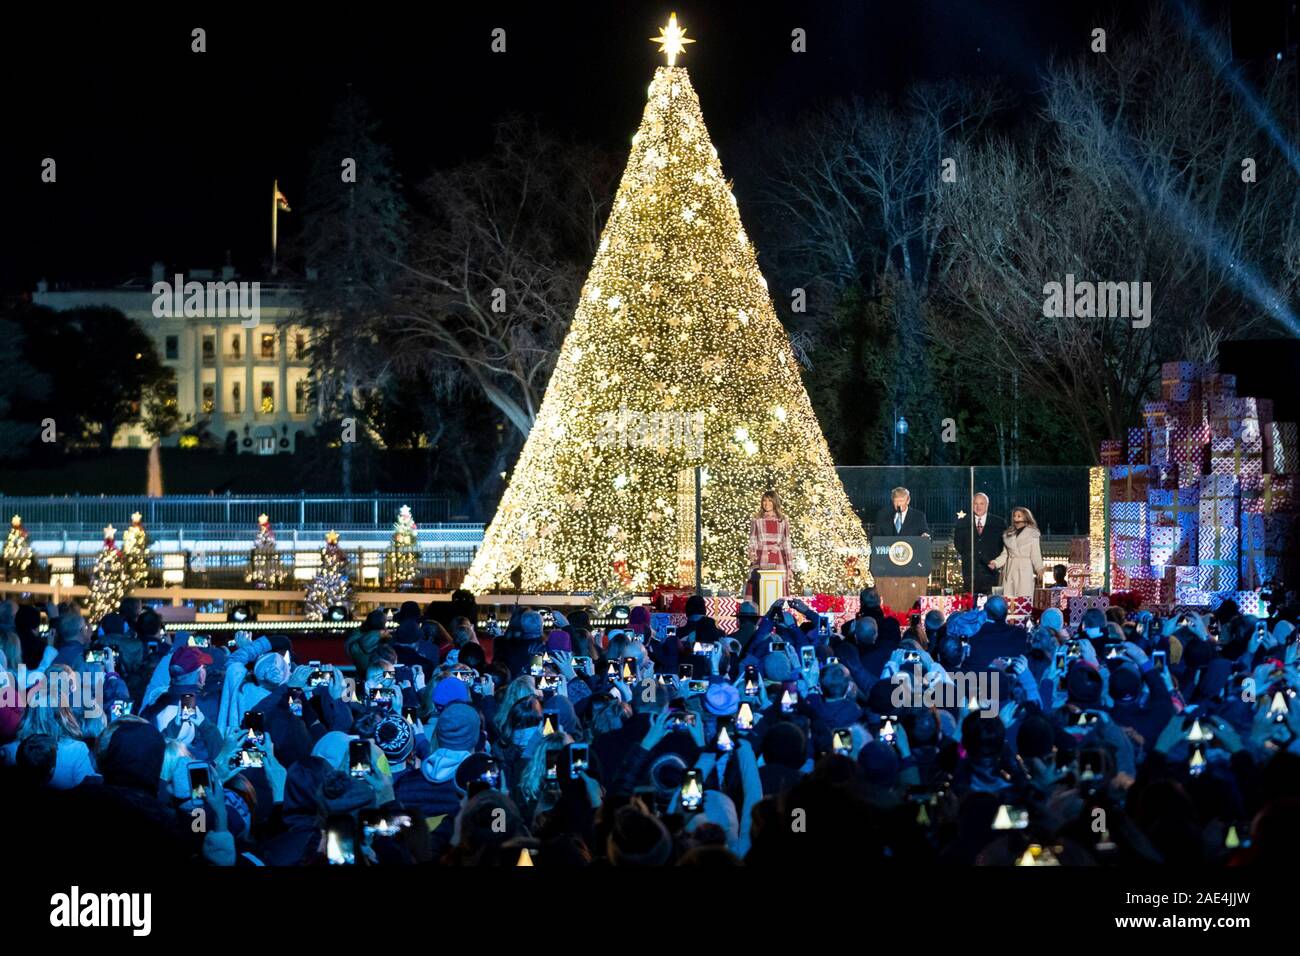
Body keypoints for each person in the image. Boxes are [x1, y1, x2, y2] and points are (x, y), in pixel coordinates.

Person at [953, 493, 1004, 595]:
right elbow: (958, 544)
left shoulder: (999, 523)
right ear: (972, 505)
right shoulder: (963, 522)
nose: (978, 506)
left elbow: (1002, 544)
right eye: (975, 503)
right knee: (970, 603)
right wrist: (969, 555)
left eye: (981, 503)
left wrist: (995, 561)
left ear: (987, 505)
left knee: (991, 603)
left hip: (991, 570)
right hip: (970, 570)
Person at [746, 489, 793, 599]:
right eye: (764, 501)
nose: (766, 504)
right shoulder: (757, 520)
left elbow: (787, 543)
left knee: (777, 592)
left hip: (778, 559)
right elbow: (752, 540)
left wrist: (790, 566)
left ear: (775, 502)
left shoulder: (782, 520)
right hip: (761, 558)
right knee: (759, 591)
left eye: (770, 501)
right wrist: (752, 557)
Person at [988, 506, 1043, 599]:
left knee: (1023, 597)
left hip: (1024, 569)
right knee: (1008, 597)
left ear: (1026, 517)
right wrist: (995, 563)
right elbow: (1005, 554)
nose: (1015, 518)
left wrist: (1039, 568)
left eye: (1019, 516)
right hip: (1010, 569)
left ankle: (1024, 612)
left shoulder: (1032, 534)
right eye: (1014, 516)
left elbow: (1035, 554)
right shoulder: (1008, 534)